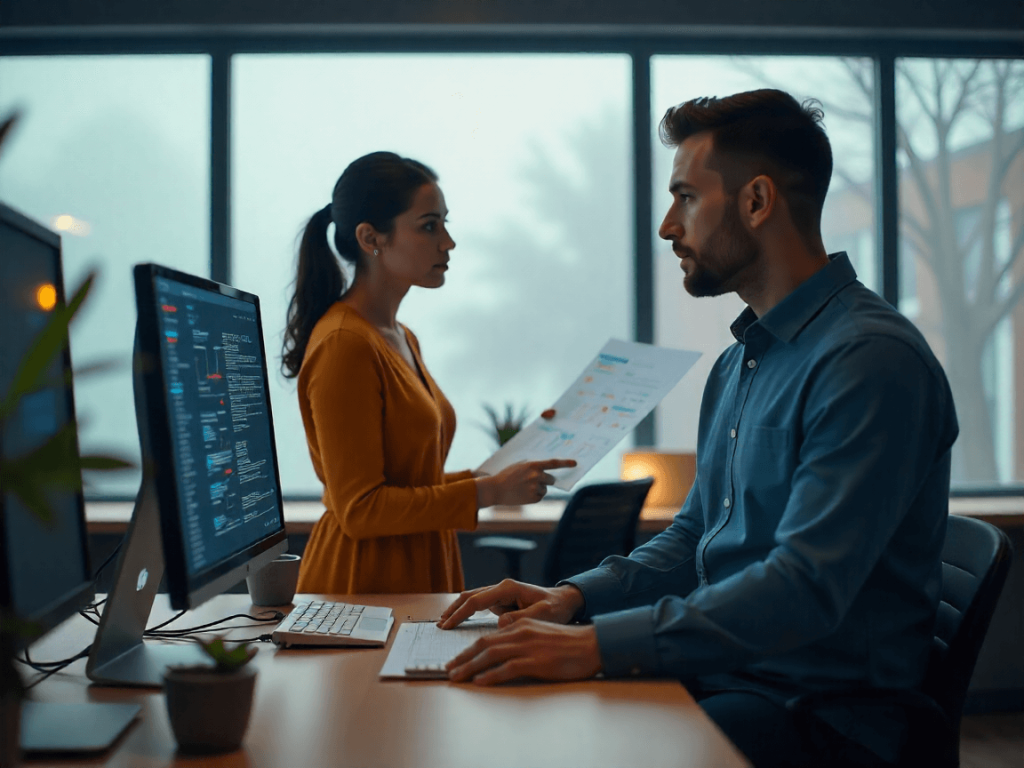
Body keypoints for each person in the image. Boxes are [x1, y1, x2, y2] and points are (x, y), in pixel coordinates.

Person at [438, 90, 958, 767]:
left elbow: (803, 588)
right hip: (735, 678)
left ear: (756, 201)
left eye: (685, 197)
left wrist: (593, 646)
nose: (665, 226)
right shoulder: (740, 363)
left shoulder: (868, 362)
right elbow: (694, 539)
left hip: (822, 719)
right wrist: (571, 599)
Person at [282, 151, 574, 595]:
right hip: (362, 583)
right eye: (429, 226)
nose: (448, 242)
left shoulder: (400, 336)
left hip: (416, 569)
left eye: (445, 223)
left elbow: (413, 483)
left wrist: (490, 479)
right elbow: (361, 509)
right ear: (370, 238)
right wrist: (488, 492)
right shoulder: (346, 344)